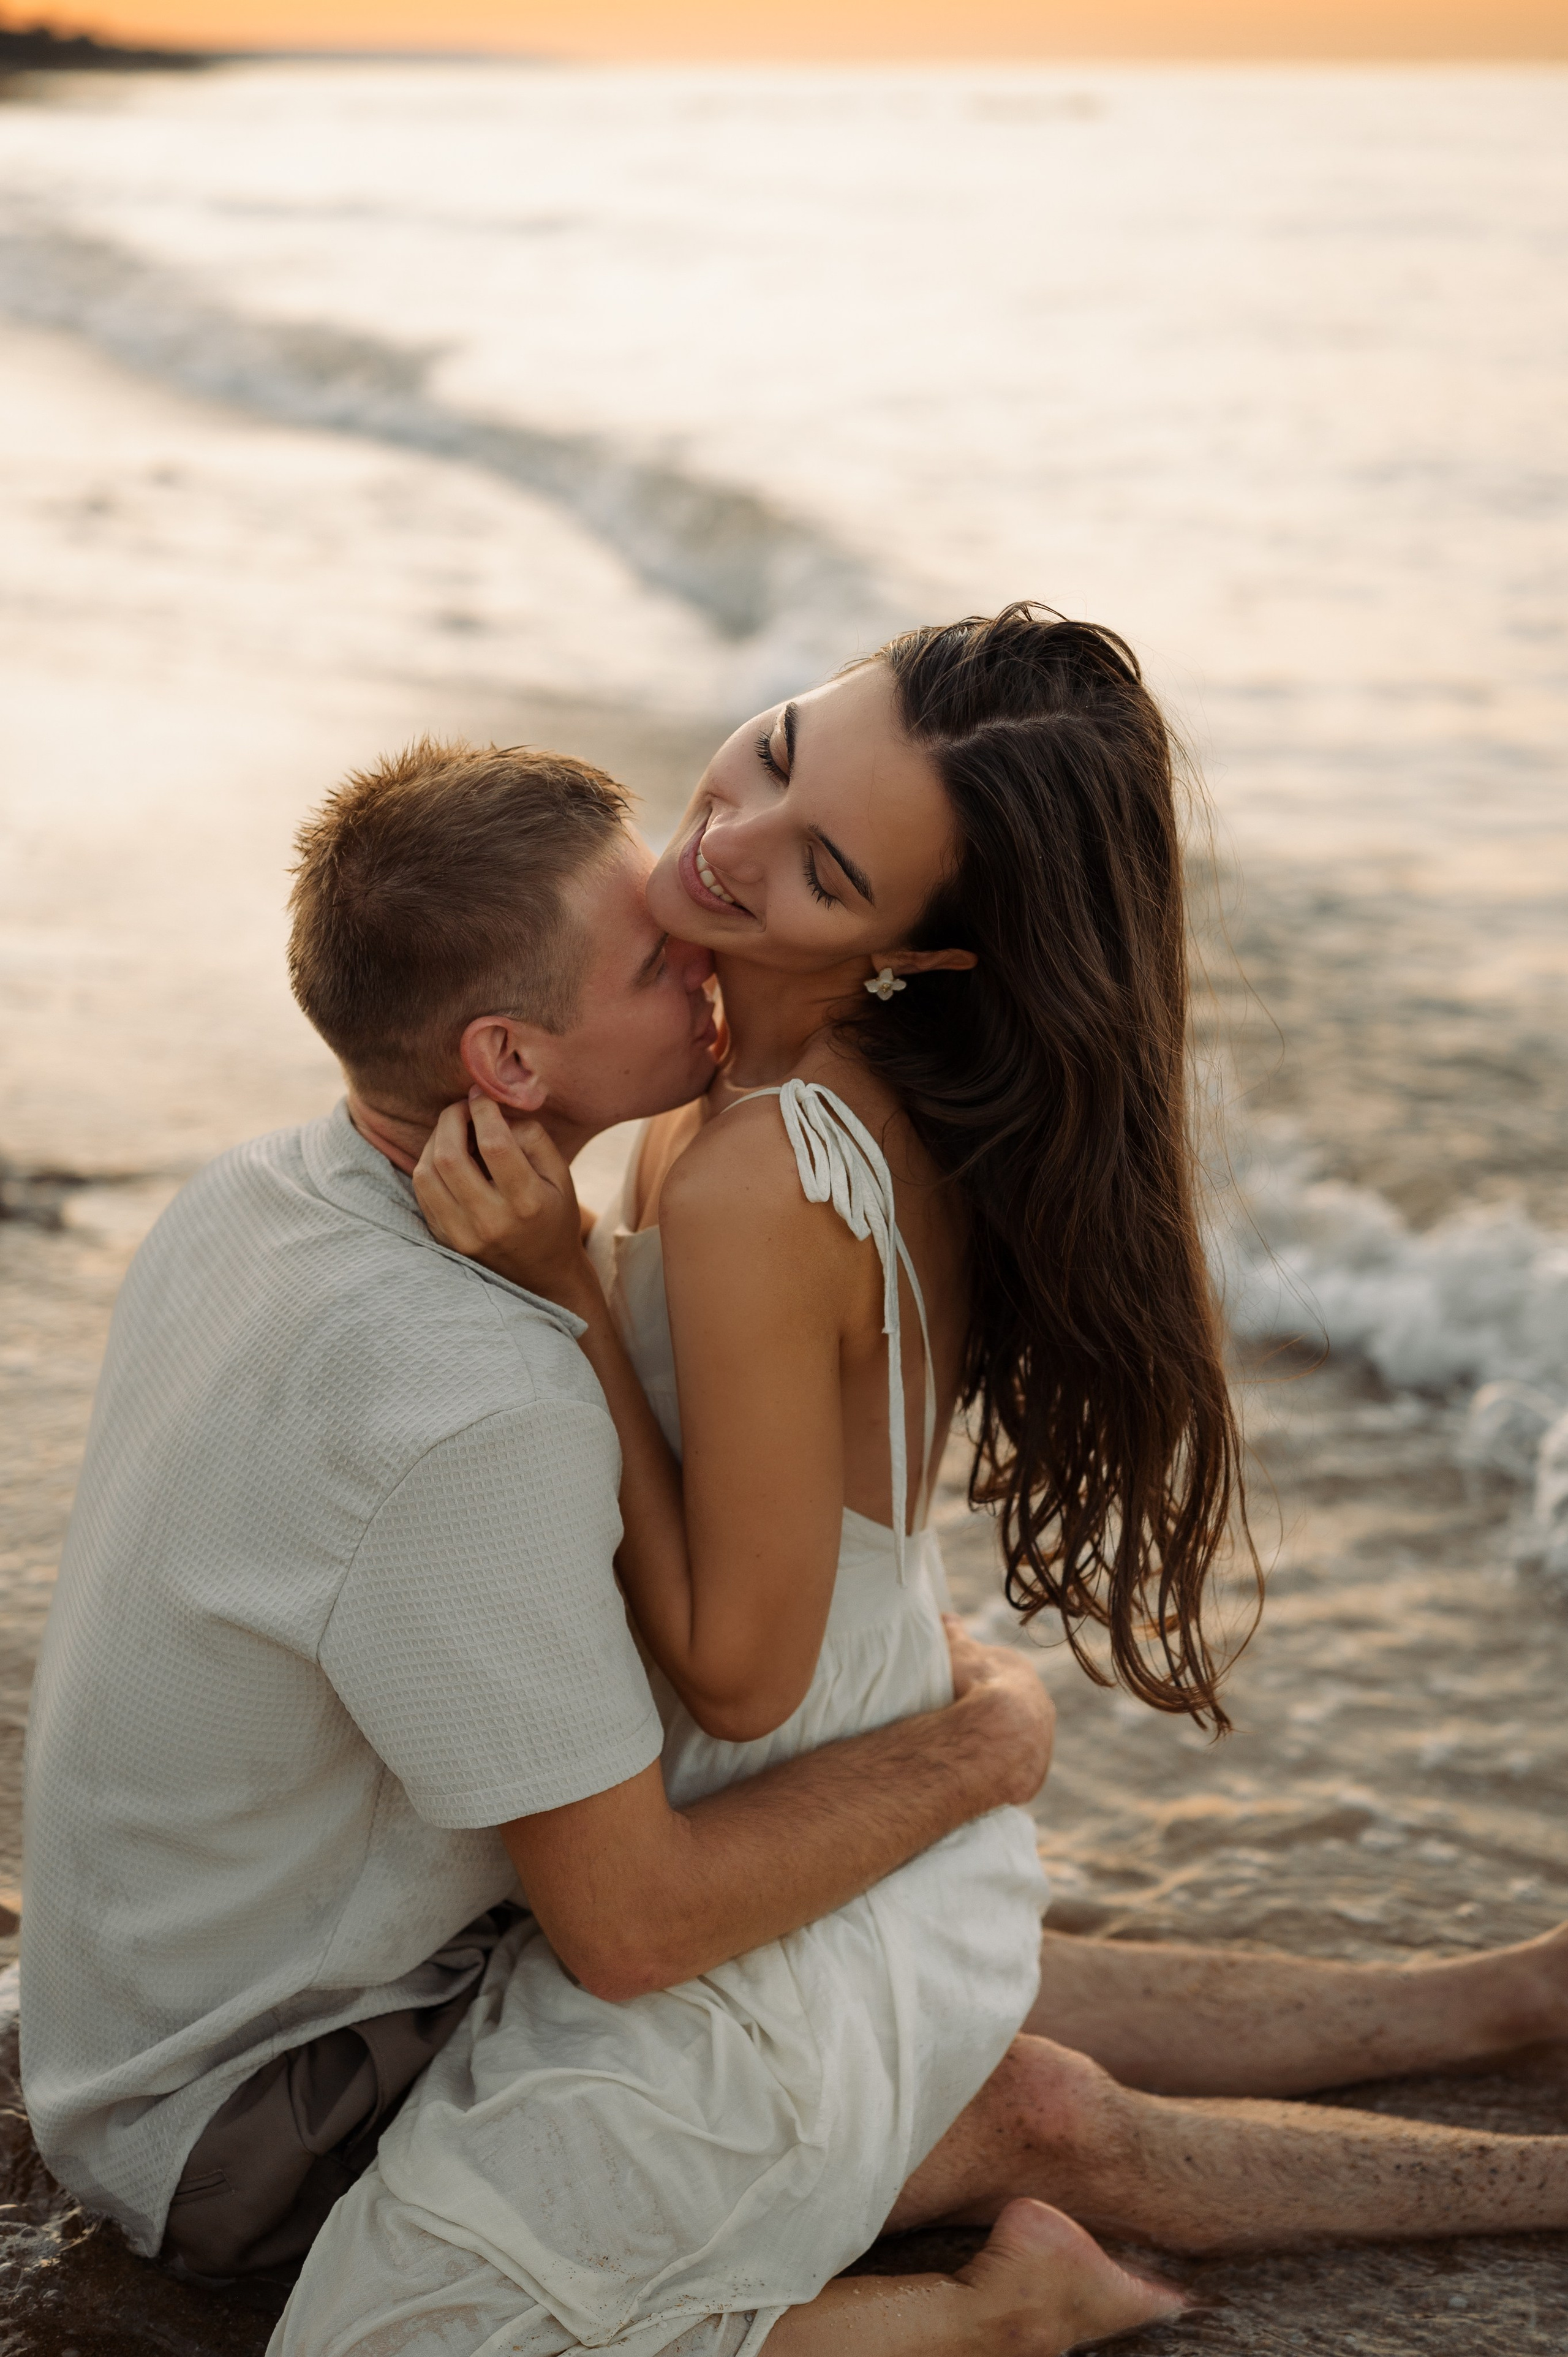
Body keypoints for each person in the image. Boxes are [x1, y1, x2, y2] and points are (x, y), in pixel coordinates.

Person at [270, 606, 1568, 2357]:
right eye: (782, 747)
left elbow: (745, 1673)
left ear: (925, 953)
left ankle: (1057, 2300)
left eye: (821, 870)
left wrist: (567, 1289)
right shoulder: (807, 1086)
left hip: (787, 1819)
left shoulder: (755, 1169)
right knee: (1014, 2048)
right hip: (854, 1796)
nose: (728, 841)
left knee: (397, 2326)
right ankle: (1509, 2002)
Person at [18, 739, 1057, 2294]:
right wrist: (986, 1747)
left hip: (132, 2003)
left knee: (896, 1941)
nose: (696, 947)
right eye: (654, 962)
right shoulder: (480, 1397)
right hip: (260, 2105)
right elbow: (630, 1928)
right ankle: (997, 2315)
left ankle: (1494, 2003)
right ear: (507, 1062)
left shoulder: (252, 1188)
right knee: (997, 2080)